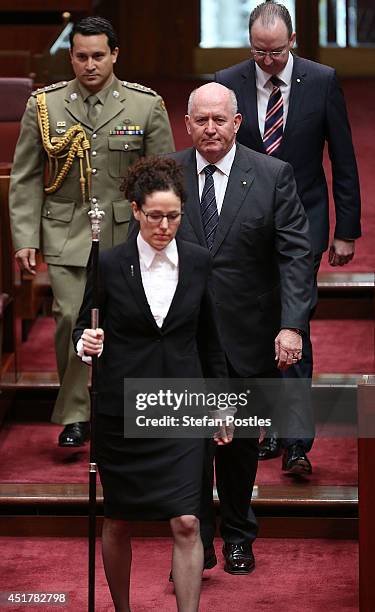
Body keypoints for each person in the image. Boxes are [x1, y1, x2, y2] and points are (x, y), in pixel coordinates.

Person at [73, 156, 231, 612]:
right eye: (156, 215)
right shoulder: (109, 260)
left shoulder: (199, 262)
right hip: (122, 408)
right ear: (136, 210)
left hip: (182, 406)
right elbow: (84, 327)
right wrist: (88, 341)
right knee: (119, 521)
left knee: (186, 521)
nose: (165, 225)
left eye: (174, 216)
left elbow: (211, 340)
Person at [9, 16, 175, 447]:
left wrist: (162, 231)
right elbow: (25, 176)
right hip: (65, 233)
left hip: (126, 234)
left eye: (98, 55)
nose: (90, 65)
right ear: (71, 56)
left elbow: (164, 178)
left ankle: (121, 409)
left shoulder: (144, 105)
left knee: (125, 322)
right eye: (81, 56)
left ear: (115, 54)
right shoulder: (44, 106)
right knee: (69, 319)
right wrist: (25, 237)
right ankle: (76, 414)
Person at [168, 82, 313, 575]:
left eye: (219, 119)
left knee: (240, 446)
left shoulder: (273, 176)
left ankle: (238, 534)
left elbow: (295, 255)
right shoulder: (167, 174)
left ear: (237, 123)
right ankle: (196, 543)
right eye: (200, 120)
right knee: (190, 445)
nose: (210, 128)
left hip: (246, 333)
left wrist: (292, 326)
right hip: (182, 336)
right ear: (187, 125)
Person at [215, 1, 361, 473]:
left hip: (305, 221)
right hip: (244, 222)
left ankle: (296, 440)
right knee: (257, 327)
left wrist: (347, 230)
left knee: (294, 322)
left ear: (292, 41)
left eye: (276, 51)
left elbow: (342, 158)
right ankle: (270, 424)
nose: (268, 61)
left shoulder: (321, 80)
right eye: (259, 52)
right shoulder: (227, 80)